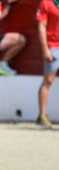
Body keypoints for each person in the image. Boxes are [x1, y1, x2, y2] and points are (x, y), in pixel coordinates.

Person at [36, 0, 59, 129]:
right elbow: (41, 26)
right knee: (48, 80)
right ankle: (42, 116)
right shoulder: (46, 2)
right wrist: (45, 49)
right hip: (53, 46)